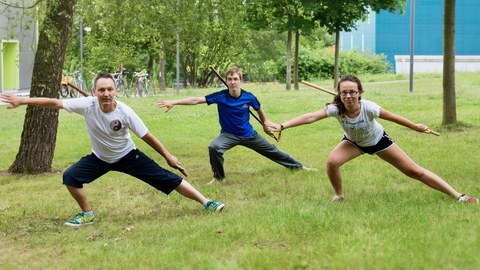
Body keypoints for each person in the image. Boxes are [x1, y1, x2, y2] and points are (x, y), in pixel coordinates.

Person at [0, 72, 225, 227]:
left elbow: (147, 136)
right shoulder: (86, 105)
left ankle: (207, 202)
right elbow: (53, 102)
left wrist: (168, 156)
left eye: (109, 89)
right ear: (94, 91)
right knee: (70, 177)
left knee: (168, 179)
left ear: (115, 90)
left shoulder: (125, 112)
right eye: (101, 90)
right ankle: (87, 215)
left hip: (128, 156)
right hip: (100, 158)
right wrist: (23, 101)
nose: (106, 93)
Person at [266, 74, 478, 203]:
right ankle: (339, 195)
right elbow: (310, 116)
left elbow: (393, 117)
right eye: (344, 93)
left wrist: (415, 127)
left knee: (414, 171)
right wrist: (283, 125)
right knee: (332, 162)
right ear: (339, 94)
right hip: (354, 143)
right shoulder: (335, 109)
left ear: (360, 93)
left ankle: (458, 196)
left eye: (352, 92)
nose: (348, 96)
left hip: (378, 142)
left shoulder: (369, 108)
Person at [157, 66, 310, 185]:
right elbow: (196, 100)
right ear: (226, 80)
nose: (232, 82)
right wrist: (174, 102)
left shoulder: (249, 97)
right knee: (214, 147)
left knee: (273, 151)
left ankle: (298, 167)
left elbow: (259, 108)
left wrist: (264, 125)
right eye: (229, 79)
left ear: (241, 81)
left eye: (235, 79)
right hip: (228, 134)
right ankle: (218, 178)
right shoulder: (221, 96)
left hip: (248, 134)